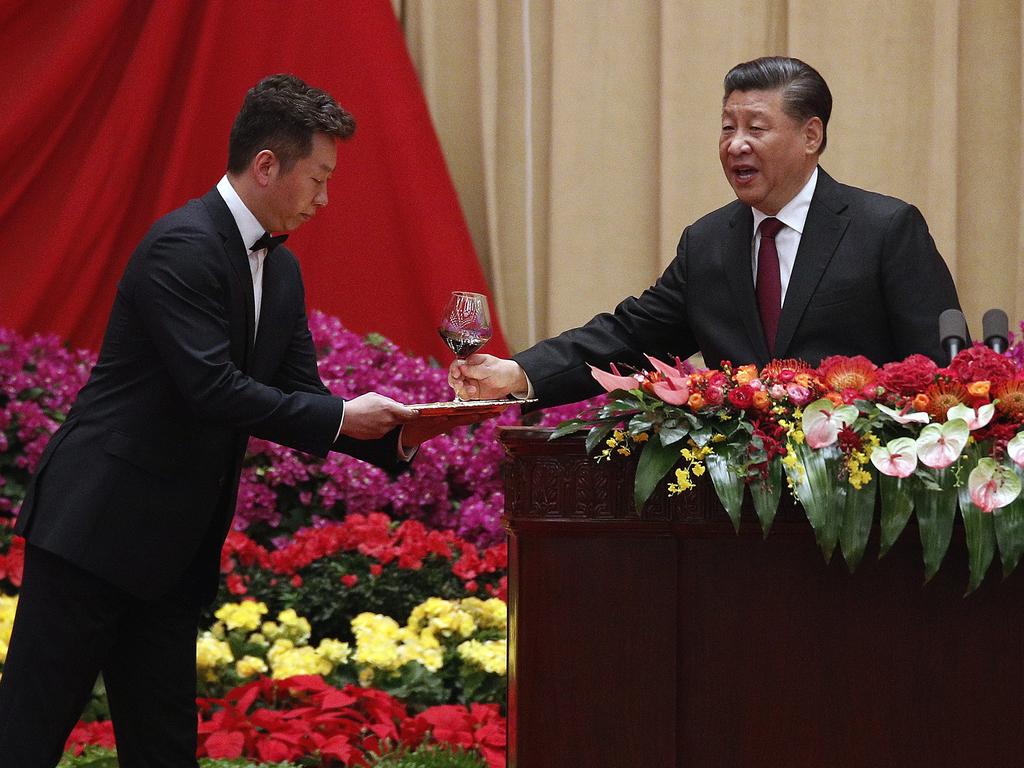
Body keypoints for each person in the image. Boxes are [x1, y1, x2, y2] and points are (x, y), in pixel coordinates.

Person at [0, 74, 456, 767]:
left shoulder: (284, 271)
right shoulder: (179, 246)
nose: (326, 199)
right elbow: (212, 390)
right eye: (318, 178)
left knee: (165, 748)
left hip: (171, 551)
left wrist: (414, 429)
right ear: (267, 165)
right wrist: (343, 416)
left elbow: (302, 394)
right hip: (93, 534)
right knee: (27, 738)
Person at [449, 56, 961, 408]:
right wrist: (518, 374)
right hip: (734, 508)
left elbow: (936, 370)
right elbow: (628, 336)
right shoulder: (709, 242)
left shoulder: (885, 229)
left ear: (811, 135)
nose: (736, 144)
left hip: (859, 496)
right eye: (726, 127)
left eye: (755, 128)